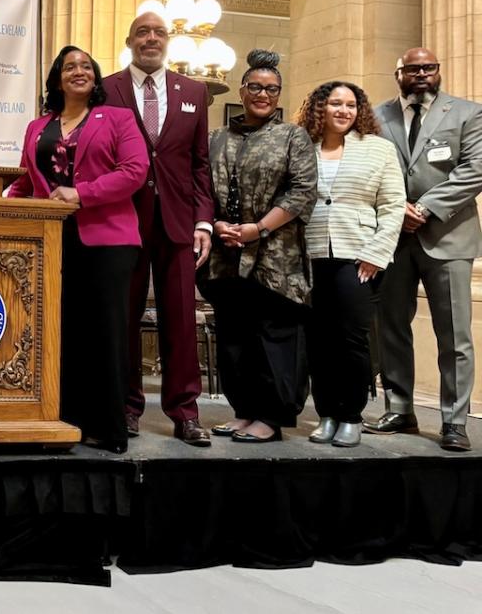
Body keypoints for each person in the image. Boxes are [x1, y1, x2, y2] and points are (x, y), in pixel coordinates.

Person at [7, 47, 149, 453]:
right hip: (49, 241)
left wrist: (81, 194)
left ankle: (108, 427)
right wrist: (0, 208)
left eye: (86, 66)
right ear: (56, 79)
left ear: (96, 77)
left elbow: (135, 172)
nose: (79, 72)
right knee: (58, 331)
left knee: (104, 333)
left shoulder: (118, 119)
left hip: (108, 240)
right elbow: (24, 183)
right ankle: (65, 421)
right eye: (70, 67)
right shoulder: (38, 126)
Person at [106, 11, 215, 447]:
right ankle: (126, 408)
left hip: (179, 223)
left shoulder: (194, 91)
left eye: (159, 33)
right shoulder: (107, 89)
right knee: (123, 319)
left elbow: (200, 163)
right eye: (143, 32)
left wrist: (204, 219)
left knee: (181, 322)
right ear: (130, 40)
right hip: (122, 221)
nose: (151, 39)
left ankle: (185, 413)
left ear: (168, 41)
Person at [365, 48, 482, 452]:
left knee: (454, 336)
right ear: (397, 74)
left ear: (438, 72)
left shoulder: (468, 113)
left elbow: (475, 169)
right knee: (392, 327)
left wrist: (427, 208)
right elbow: (368, 169)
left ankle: (454, 420)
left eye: (428, 68)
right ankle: (400, 408)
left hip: (449, 237)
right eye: (412, 68)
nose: (421, 74)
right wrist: (397, 209)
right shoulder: (376, 117)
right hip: (391, 237)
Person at [201, 49, 317, 443]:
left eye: (271, 89)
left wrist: (257, 229)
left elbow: (302, 191)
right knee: (235, 337)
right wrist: (217, 223)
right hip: (225, 255)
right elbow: (199, 189)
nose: (262, 94)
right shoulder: (217, 138)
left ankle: (271, 416)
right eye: (255, 87)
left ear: (279, 95)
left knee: (274, 337)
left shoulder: (292, 136)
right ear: (243, 89)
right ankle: (244, 410)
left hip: (275, 257)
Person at [294, 81, 404, 448]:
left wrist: (376, 252)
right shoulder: (301, 147)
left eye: (351, 105)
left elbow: (392, 205)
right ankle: (326, 413)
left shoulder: (378, 149)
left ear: (360, 111)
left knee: (352, 339)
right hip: (308, 255)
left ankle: (351, 415)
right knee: (318, 340)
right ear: (319, 108)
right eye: (335, 103)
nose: (343, 110)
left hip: (358, 256)